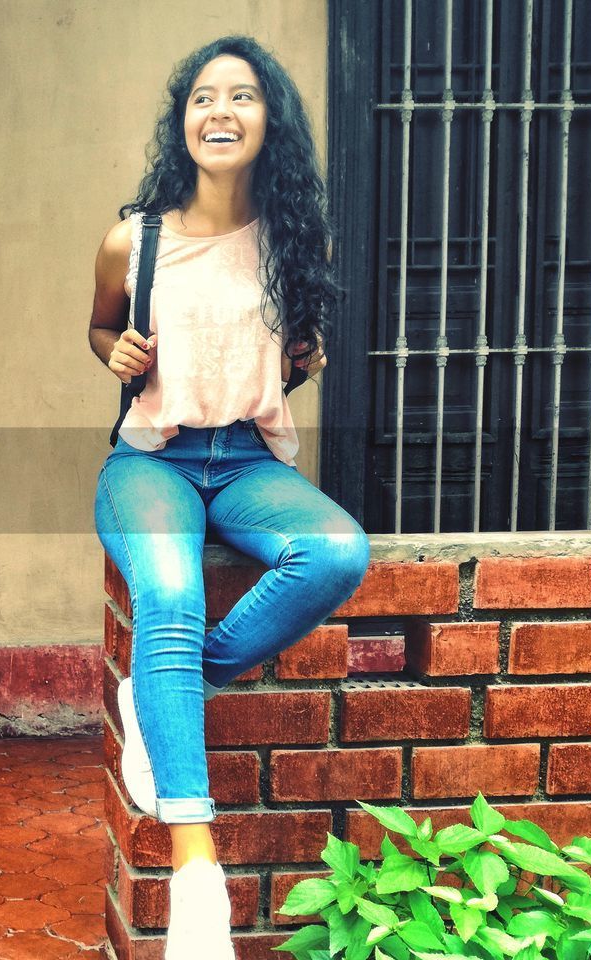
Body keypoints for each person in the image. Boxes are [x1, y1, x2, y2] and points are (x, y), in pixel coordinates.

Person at [88, 36, 372, 960]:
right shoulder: (136, 237)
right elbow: (100, 330)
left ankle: (171, 688)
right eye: (203, 97)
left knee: (336, 551)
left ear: (268, 121)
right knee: (167, 594)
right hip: (153, 460)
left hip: (248, 460)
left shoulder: (298, 242)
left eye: (241, 97)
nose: (219, 111)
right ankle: (199, 875)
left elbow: (287, 365)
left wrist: (305, 362)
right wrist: (114, 353)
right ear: (184, 121)